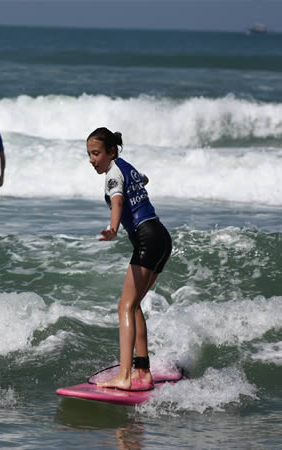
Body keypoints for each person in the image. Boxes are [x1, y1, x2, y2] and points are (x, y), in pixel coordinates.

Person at [86, 127, 172, 391]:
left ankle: (125, 376)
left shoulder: (113, 173)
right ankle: (143, 371)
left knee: (124, 306)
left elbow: (118, 202)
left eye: (96, 153)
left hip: (147, 238)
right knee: (134, 306)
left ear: (111, 151)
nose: (92, 159)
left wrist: (113, 229)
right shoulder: (127, 168)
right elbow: (142, 180)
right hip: (161, 237)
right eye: (89, 154)